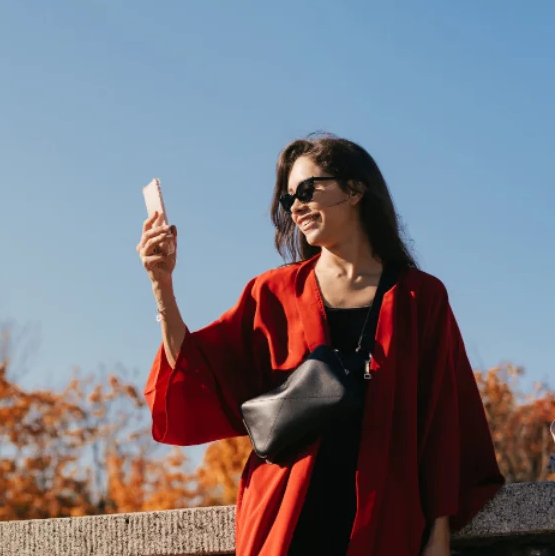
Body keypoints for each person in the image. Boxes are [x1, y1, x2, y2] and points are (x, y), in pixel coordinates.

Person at [137, 134, 503, 556]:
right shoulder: (272, 293)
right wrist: (162, 286)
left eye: (308, 190)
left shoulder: (420, 297)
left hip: (383, 519)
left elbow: (443, 419)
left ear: (356, 189)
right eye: (288, 198)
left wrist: (439, 530)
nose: (295, 206)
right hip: (285, 518)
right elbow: (197, 375)